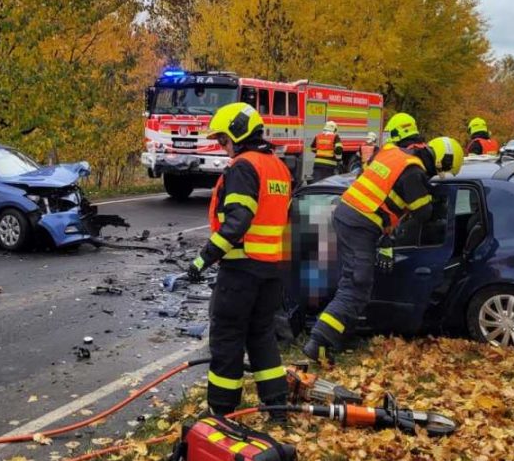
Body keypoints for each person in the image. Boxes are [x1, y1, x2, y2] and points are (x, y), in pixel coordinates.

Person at [303, 136, 464, 365]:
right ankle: (319, 341)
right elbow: (424, 213)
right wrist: (430, 193)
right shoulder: (414, 173)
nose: (438, 176)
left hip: (351, 216)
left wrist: (385, 235)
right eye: (441, 172)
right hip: (359, 224)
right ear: (441, 162)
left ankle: (333, 336)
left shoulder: (393, 152)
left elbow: (377, 187)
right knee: (357, 286)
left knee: (353, 282)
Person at [187, 102, 292, 420]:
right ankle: (277, 407)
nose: (222, 147)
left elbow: (238, 221)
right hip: (271, 269)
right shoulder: (279, 167)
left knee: (227, 338)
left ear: (237, 132)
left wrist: (203, 259)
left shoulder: (244, 167)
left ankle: (221, 411)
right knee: (261, 335)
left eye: (222, 140)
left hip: (242, 269)